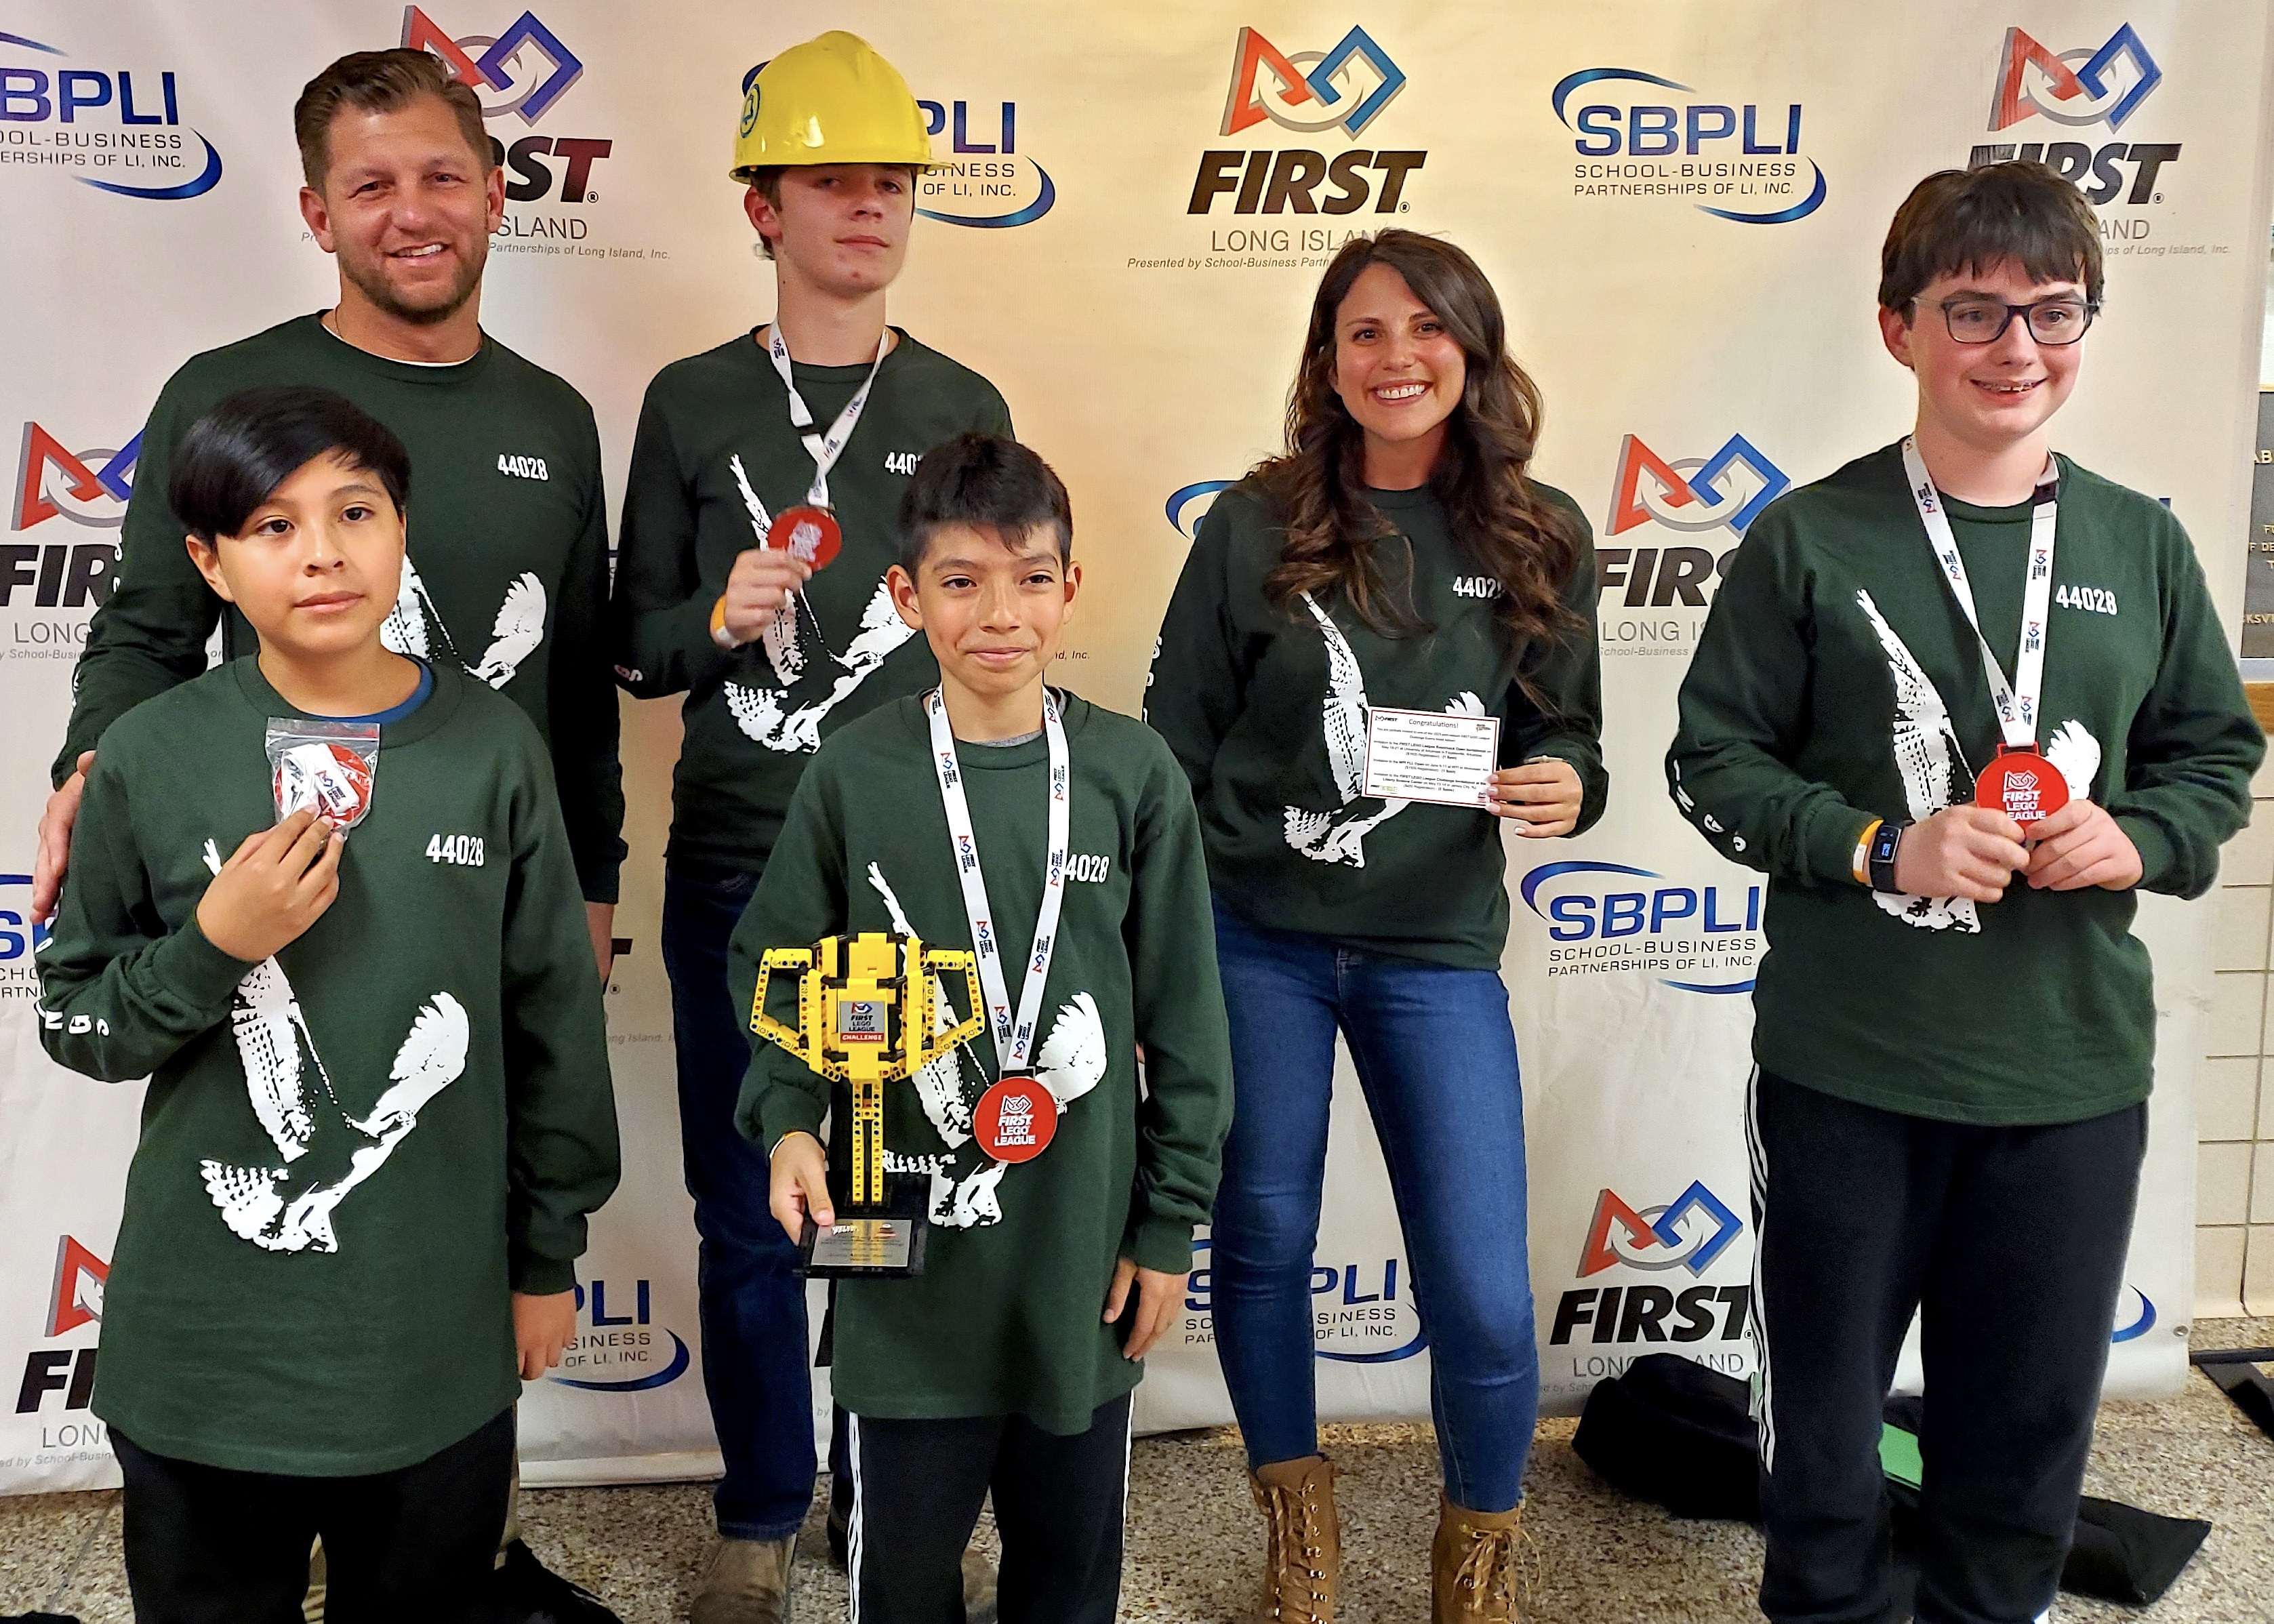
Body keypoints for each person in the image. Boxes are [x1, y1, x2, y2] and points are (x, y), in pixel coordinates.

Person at [1666, 160, 2263, 1624]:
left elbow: (2208, 759)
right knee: (1822, 1440)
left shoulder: (2139, 542)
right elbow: (1709, 764)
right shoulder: (1810, 537)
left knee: (2021, 1448)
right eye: (1974, 310)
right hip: (1849, 1071)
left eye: (2052, 311)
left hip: (2063, 1078)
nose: (2016, 347)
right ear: (1899, 328)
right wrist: (1880, 845)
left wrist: (2135, 836)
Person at [33, 386, 621, 1624]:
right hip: (207, 1359)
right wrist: (211, 948)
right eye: (270, 524)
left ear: (402, 528)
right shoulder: (150, 752)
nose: (321, 552)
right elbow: (76, 1021)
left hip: (430, 1346)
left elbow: (552, 1024)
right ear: (209, 562)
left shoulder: (494, 747)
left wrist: (545, 1255)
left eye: (355, 511)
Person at [1145, 230, 1606, 1624]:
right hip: (1256, 936)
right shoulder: (1254, 522)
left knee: (1474, 1276)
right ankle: (1298, 1529)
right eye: (1362, 331)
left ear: (1471, 350)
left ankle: (1476, 1553)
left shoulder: (1541, 531)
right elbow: (1176, 733)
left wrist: (1566, 779)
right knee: (1265, 1236)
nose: (1394, 356)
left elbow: (1569, 730)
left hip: (1433, 948)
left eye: (1423, 328)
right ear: (1325, 360)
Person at [609, 32, 1012, 1622]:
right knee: (746, 1202)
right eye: (832, 178)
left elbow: (999, 641)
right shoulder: (694, 399)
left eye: (892, 181)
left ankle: (882, 1497)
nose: (868, 205)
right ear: (762, 208)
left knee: (889, 1195)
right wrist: (713, 618)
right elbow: (634, 647)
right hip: (736, 866)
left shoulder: (958, 399)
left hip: (913, 869)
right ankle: (762, 1510)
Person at [730, 431, 1232, 1624]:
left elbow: (1189, 1021)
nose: (998, 612)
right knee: (900, 1584)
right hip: (900, 1271)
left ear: (1071, 588)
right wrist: (792, 1125)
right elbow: (776, 973)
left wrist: (1168, 1224)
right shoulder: (854, 775)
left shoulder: (1133, 773)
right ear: (905, 598)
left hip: (1077, 1266)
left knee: (1068, 1581)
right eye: (960, 580)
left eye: (1030, 577)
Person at [33, 47, 625, 988]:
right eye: (371, 186)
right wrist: (90, 769)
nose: (414, 214)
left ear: (494, 194)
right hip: (282, 885)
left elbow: (581, 690)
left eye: (442, 177)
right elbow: (147, 634)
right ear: (320, 216)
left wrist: (591, 892)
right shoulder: (222, 393)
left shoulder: (556, 417)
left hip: (502, 897)